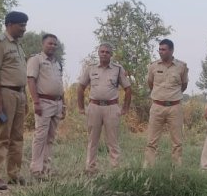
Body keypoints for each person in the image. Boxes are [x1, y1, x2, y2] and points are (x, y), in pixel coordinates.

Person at [76, 43, 131, 174]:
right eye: (102, 51)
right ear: (98, 53)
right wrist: (81, 107)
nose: (104, 54)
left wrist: (125, 108)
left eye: (107, 52)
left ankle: (115, 169)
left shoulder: (117, 69)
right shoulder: (91, 68)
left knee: (113, 141)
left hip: (111, 107)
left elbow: (128, 88)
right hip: (94, 107)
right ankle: (90, 168)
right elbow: (80, 87)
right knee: (92, 140)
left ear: (111, 54)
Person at [0, 11, 28, 190]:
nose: (24, 29)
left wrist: (25, 96)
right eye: (21, 25)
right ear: (10, 24)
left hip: (20, 94)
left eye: (25, 25)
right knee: (2, 136)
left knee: (17, 137)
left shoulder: (19, 46)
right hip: (6, 94)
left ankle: (13, 174)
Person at [143, 39, 189, 168]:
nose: (161, 52)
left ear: (171, 50)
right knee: (151, 140)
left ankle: (177, 168)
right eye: (160, 49)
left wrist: (172, 96)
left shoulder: (181, 66)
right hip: (157, 107)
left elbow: (184, 85)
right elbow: (150, 83)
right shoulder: (153, 66)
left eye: (164, 49)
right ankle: (148, 168)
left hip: (175, 108)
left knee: (177, 141)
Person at [27, 33, 65, 180]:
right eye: (50, 43)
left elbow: (60, 85)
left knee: (51, 137)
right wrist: (36, 102)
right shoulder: (36, 60)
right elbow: (31, 81)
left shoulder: (57, 63)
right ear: (43, 44)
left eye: (55, 44)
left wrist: (64, 105)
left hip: (57, 103)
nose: (53, 46)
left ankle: (46, 167)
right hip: (43, 102)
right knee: (40, 136)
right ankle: (36, 169)